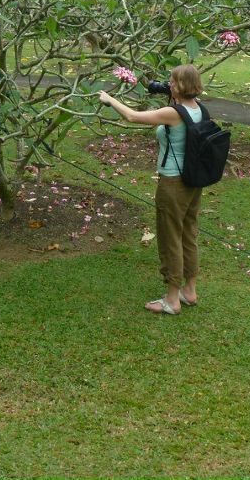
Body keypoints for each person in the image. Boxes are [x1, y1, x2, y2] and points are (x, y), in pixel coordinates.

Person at [99, 64, 205, 315]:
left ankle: (172, 299)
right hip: (193, 182)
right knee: (188, 234)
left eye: (172, 81)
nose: (168, 83)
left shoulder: (173, 113)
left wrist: (110, 99)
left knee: (170, 239)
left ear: (179, 86)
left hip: (173, 184)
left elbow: (132, 117)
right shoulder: (198, 108)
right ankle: (189, 290)